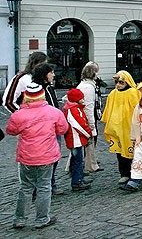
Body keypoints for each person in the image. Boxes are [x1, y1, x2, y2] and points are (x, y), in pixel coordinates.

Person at [6, 83, 68, 229]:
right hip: (47, 155)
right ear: (42, 95)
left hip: (27, 156)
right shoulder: (54, 112)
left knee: (26, 187)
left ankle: (19, 219)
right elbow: (62, 129)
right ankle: (42, 219)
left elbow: (11, 130)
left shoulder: (19, 115)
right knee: (44, 187)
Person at [101, 70, 141, 186]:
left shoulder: (134, 93)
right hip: (117, 129)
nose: (118, 85)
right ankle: (124, 174)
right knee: (120, 152)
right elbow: (108, 110)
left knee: (133, 152)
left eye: (121, 82)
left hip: (130, 128)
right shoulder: (113, 94)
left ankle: (136, 173)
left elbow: (138, 110)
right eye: (117, 82)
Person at [31, 63, 64, 196]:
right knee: (44, 159)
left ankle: (50, 183)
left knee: (54, 158)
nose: (54, 75)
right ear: (45, 75)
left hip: (54, 127)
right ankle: (40, 187)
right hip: (44, 129)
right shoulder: (36, 90)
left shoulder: (49, 88)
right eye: (51, 72)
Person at [61, 88, 92, 191]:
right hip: (75, 139)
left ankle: (79, 179)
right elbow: (79, 125)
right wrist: (88, 133)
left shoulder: (73, 108)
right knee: (77, 161)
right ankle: (77, 181)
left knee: (78, 160)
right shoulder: (73, 110)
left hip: (76, 139)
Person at [76, 62, 102, 175]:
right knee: (88, 142)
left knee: (86, 142)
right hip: (86, 119)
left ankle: (89, 162)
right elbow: (89, 106)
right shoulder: (88, 87)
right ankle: (89, 164)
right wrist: (91, 124)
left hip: (86, 117)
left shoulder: (86, 84)